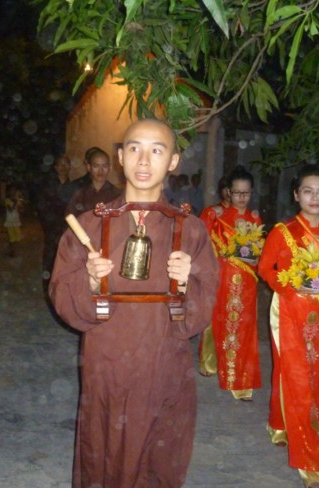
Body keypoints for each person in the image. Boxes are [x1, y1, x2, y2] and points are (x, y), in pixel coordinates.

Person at [50, 118, 219, 487]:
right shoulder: (90, 225)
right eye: (135, 149)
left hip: (163, 363)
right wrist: (88, 281)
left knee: (156, 453)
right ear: (121, 157)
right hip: (106, 362)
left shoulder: (191, 230)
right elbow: (60, 294)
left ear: (173, 161)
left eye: (156, 151)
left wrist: (188, 282)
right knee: (104, 447)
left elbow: (205, 305)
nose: (144, 160)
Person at [257, 165, 319, 488]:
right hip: (288, 311)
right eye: (308, 191)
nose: (315, 198)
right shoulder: (283, 232)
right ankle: (312, 463)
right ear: (296, 194)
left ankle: (279, 424)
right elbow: (265, 268)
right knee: (298, 378)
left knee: (310, 377)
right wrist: (292, 286)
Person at [197, 165, 262, 401]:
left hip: (248, 282)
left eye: (246, 193)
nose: (242, 197)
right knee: (222, 325)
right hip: (223, 280)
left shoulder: (254, 218)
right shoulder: (217, 216)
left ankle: (241, 380)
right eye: (237, 192)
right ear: (228, 192)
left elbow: (259, 253)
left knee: (244, 330)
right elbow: (203, 245)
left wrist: (255, 259)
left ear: (251, 192)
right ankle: (221, 369)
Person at [197, 173, 229, 377]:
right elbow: (200, 240)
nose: (231, 194)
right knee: (212, 317)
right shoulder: (211, 213)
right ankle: (209, 361)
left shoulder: (245, 217)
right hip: (215, 271)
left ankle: (230, 362)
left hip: (238, 276)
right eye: (227, 189)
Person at [37, 154, 79, 291]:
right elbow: (42, 207)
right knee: (50, 259)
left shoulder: (74, 188)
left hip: (67, 230)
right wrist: (48, 225)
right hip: (51, 229)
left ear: (70, 167)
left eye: (66, 164)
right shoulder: (47, 186)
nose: (63, 167)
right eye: (60, 164)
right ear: (55, 167)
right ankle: (48, 289)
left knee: (66, 260)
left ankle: (63, 289)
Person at [65, 147, 121, 216]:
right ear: (89, 167)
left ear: (110, 167)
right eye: (96, 166)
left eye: (104, 166)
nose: (100, 171)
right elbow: (70, 217)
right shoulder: (80, 194)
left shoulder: (117, 194)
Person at [4, 184, 24, 257]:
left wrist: (20, 203)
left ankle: (14, 251)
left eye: (14, 191)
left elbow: (21, 210)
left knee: (17, 237)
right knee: (12, 238)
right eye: (11, 191)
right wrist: (16, 202)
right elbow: (10, 210)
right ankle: (13, 252)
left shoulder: (16, 200)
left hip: (15, 220)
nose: (13, 192)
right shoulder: (7, 200)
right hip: (10, 220)